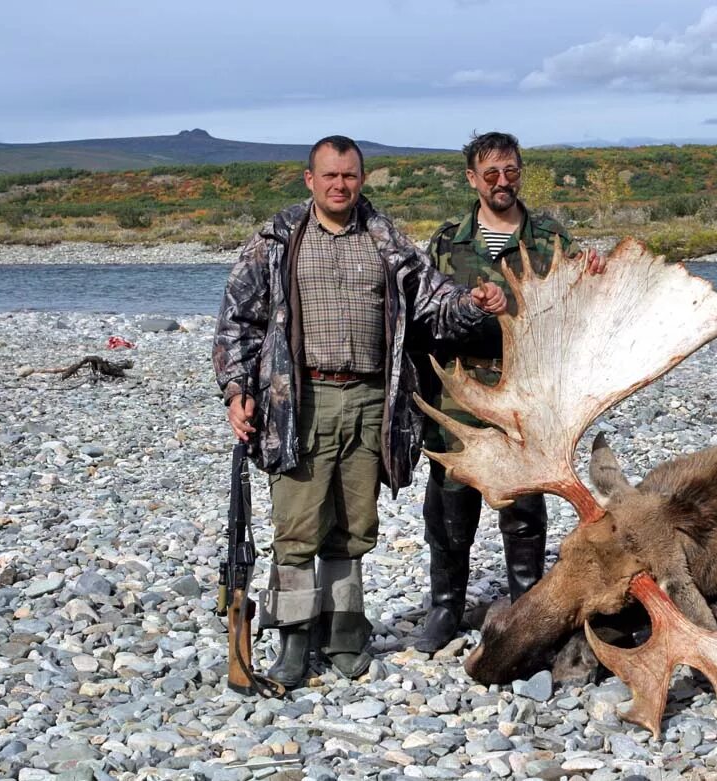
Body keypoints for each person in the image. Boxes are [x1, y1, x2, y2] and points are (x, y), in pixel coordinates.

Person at [213, 135, 506, 689]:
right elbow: (238, 323)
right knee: (297, 530)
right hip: (299, 402)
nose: (340, 185)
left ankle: (346, 634)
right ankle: (294, 645)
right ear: (310, 180)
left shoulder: (385, 238)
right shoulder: (276, 241)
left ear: (361, 179)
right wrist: (236, 390)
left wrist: (471, 305)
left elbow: (430, 303)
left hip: (373, 400)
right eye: (329, 176)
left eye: (349, 176)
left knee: (353, 529)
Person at [413, 131, 603, 653]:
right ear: (472, 179)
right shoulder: (447, 243)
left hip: (525, 389)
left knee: (523, 500)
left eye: (511, 172)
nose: (502, 182)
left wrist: (592, 277)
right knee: (451, 498)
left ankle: (526, 601)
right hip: (463, 390)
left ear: (521, 173)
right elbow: (426, 317)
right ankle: (446, 606)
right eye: (491, 174)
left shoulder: (550, 238)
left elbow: (580, 307)